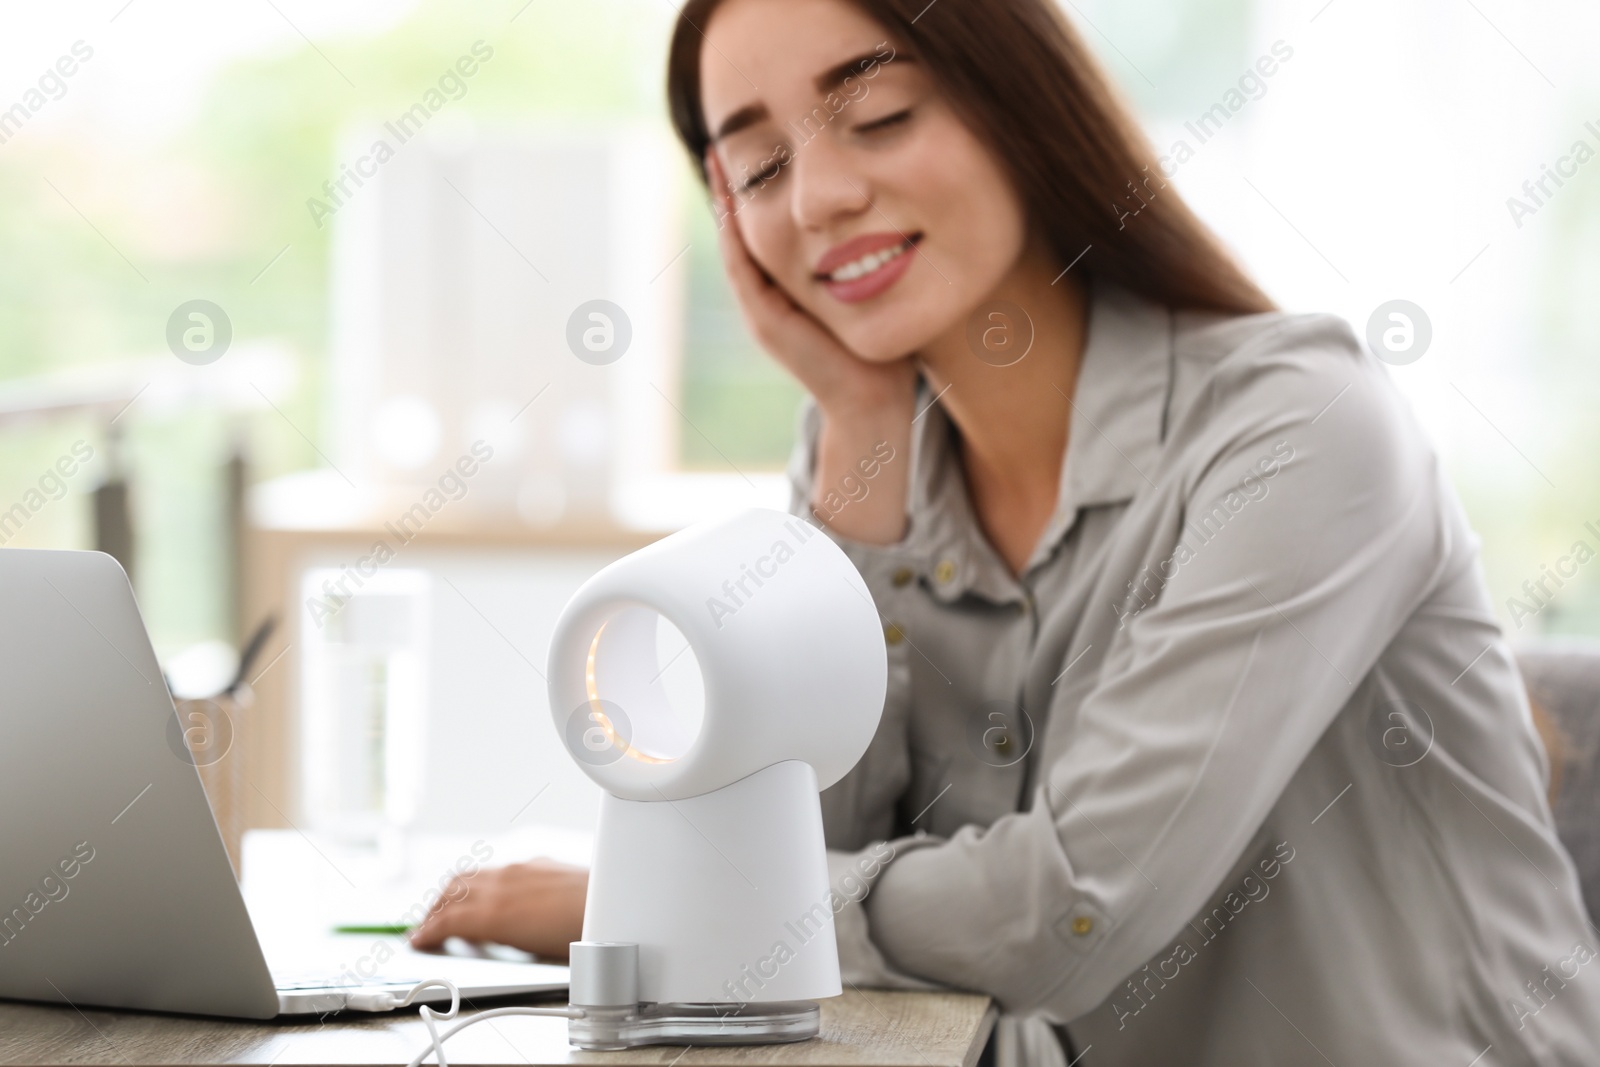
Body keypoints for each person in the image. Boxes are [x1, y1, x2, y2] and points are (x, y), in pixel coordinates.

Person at [413, 0, 1600, 1062]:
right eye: (761, 164)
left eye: (875, 114)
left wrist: (633, 902)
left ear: (1018, 105)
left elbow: (1071, 912)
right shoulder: (865, 452)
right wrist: (859, 433)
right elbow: (795, 888)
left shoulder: (1299, 426)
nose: (820, 197)